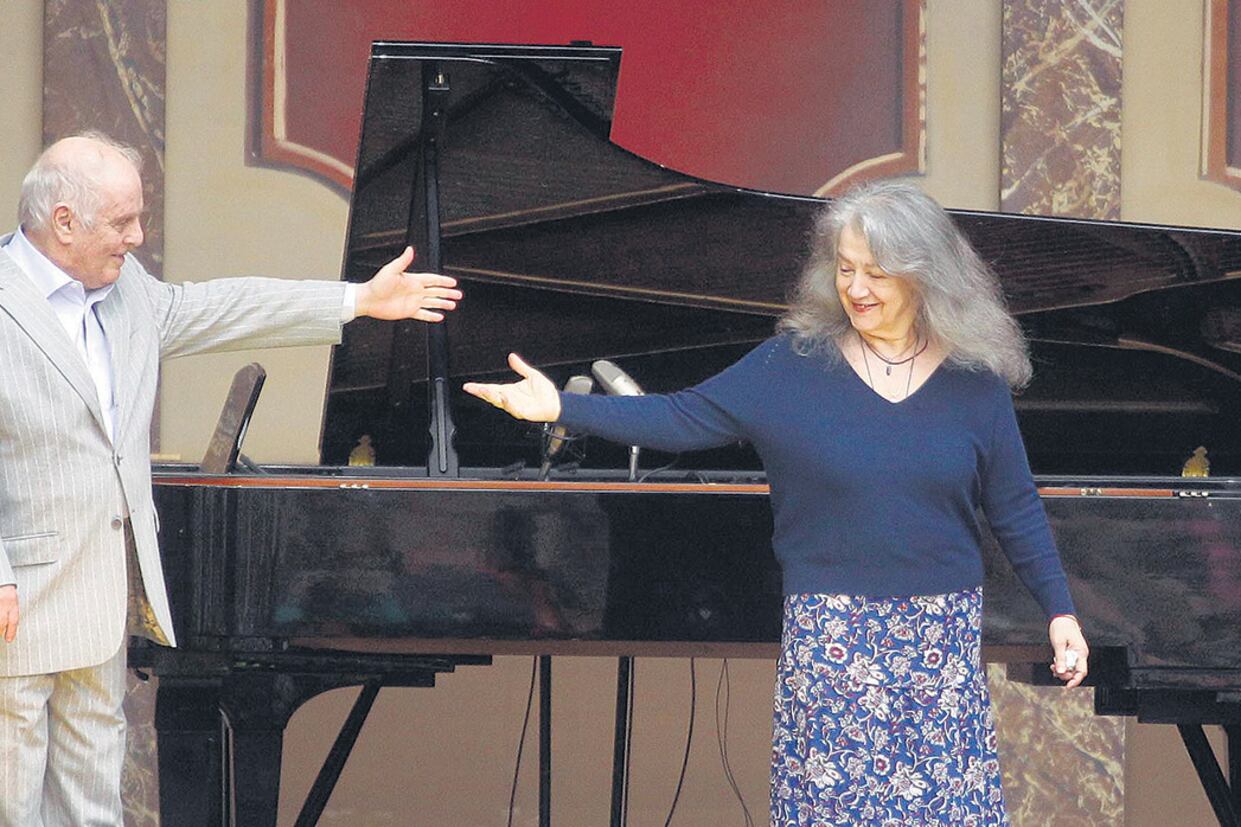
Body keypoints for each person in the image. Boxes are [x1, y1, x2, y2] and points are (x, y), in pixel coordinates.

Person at [464, 180, 1089, 825]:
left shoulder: (973, 383)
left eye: (877, 272)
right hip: (832, 633)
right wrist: (563, 406)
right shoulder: (791, 366)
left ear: (923, 276)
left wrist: (1060, 611)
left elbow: (1014, 507)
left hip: (940, 638)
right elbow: (682, 417)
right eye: (846, 269)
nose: (858, 288)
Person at [0, 132, 462, 825]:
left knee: (92, 811)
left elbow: (221, 306)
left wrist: (356, 300)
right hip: (18, 605)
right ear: (64, 221)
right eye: (122, 221)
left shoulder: (129, 293)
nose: (136, 236)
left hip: (100, 604)